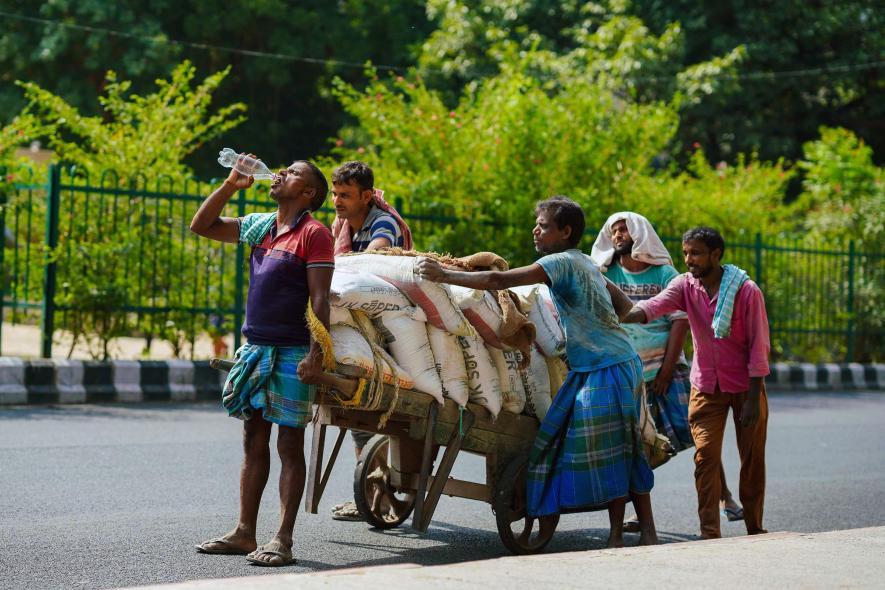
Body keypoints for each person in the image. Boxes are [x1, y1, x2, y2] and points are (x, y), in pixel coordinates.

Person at [418, 196, 659, 547]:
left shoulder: (558, 261)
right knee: (559, 440)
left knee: (614, 449)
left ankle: (623, 534)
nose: (536, 230)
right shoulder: (587, 264)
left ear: (566, 231)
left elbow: (498, 281)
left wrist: (444, 275)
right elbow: (626, 310)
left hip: (611, 367)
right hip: (597, 366)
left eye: (543, 226)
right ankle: (582, 526)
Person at [189, 154, 334, 566]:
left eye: (294, 173)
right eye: (283, 169)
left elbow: (320, 300)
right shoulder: (261, 225)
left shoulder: (315, 234)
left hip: (292, 351)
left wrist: (317, 355)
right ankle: (244, 533)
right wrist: (231, 186)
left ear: (308, 193)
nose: (281, 173)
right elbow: (201, 226)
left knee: (289, 443)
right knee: (254, 440)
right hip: (254, 349)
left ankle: (282, 540)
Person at [590, 213, 743, 531]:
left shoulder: (664, 273)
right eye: (614, 232)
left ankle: (726, 497)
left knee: (699, 438)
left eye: (624, 230)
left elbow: (680, 322)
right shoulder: (608, 274)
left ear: (640, 235)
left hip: (666, 372)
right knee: (638, 444)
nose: (619, 236)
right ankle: (638, 512)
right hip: (628, 372)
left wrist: (666, 370)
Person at [619, 227, 770, 540]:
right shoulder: (684, 286)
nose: (689, 260)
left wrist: (754, 398)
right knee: (705, 459)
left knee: (752, 459)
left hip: (746, 388)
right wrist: (605, 291)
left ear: (716, 255)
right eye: (686, 253)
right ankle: (709, 533)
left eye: (696, 253)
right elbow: (648, 308)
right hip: (705, 387)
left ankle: (755, 528)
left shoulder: (746, 291)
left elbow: (759, 346)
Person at [327, 160, 413, 522]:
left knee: (379, 406)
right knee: (356, 402)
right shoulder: (344, 224)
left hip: (391, 321)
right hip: (362, 321)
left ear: (366, 196)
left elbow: (371, 259)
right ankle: (370, 488)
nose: (337, 201)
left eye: (345, 195)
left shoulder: (384, 222)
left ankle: (379, 488)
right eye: (335, 193)